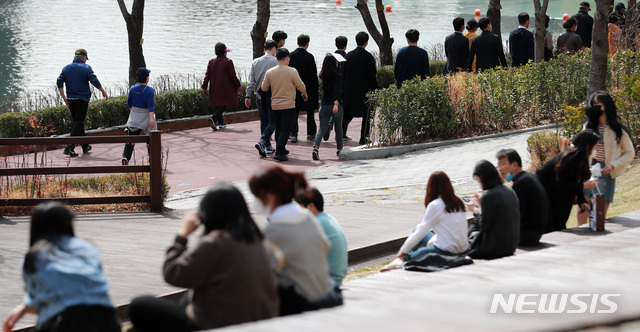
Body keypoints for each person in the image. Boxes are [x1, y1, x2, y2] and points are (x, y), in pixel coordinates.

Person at [129, 184, 278, 331]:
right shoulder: (260, 242)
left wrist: (182, 235)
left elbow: (172, 273)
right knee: (191, 292)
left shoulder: (217, 242)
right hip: (258, 323)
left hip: (216, 325)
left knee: (139, 305)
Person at [2, 202, 120, 332]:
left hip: (65, 323)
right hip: (107, 318)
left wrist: (24, 308)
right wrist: (24, 308)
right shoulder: (87, 248)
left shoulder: (33, 257)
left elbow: (42, 302)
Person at [248, 166, 332, 316]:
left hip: (298, 307)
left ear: (271, 195)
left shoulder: (273, 231)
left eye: (257, 196)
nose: (255, 202)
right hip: (325, 298)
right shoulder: (308, 218)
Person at [382, 171, 469, 271]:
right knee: (420, 232)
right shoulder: (458, 202)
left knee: (410, 254)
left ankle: (402, 258)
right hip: (462, 249)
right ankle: (403, 257)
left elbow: (421, 230)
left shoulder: (436, 205)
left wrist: (402, 251)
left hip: (445, 251)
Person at [578, 91, 634, 223]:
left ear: (606, 105)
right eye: (593, 104)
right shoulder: (588, 126)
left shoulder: (617, 129)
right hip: (588, 170)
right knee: (583, 209)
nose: (595, 107)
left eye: (598, 104)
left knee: (598, 216)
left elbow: (630, 152)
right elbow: (580, 150)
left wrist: (613, 165)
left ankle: (595, 238)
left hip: (606, 172)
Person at [536, 129, 600, 233]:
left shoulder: (581, 158)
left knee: (559, 220)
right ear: (588, 145)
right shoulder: (569, 157)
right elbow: (562, 184)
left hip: (555, 190)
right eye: (595, 145)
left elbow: (575, 181)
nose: (596, 148)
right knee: (552, 222)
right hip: (545, 188)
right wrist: (584, 186)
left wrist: (581, 201)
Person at [57, 48, 109, 157]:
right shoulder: (86, 67)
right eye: (86, 59)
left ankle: (85, 146)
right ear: (83, 58)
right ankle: (69, 147)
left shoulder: (66, 68)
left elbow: (59, 81)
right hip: (82, 99)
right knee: (78, 122)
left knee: (77, 122)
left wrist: (63, 97)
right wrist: (102, 90)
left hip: (70, 99)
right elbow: (93, 79)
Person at [465, 160, 520, 259]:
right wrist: (483, 207)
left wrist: (475, 211)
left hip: (494, 249)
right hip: (510, 246)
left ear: (481, 177)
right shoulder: (510, 191)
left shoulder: (489, 196)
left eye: (476, 177)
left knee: (471, 232)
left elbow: (484, 227)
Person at [261, 48, 308, 162]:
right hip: (288, 105)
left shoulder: (270, 72)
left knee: (278, 128)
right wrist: (305, 93)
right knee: (285, 129)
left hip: (274, 105)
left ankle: (280, 149)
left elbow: (264, 88)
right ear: (287, 58)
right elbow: (300, 85)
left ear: (276, 58)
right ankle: (279, 151)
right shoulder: (292, 71)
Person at [295, 187, 348, 287]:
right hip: (336, 280)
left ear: (311, 206)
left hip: (326, 284)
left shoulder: (316, 224)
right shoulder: (329, 219)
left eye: (301, 207)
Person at [496, 149, 548, 246]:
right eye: (498, 165)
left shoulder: (521, 183)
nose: (500, 169)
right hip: (537, 231)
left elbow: (518, 215)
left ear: (514, 165)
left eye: (503, 164)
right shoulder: (528, 177)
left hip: (528, 235)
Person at [343, 31, 378, 144]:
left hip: (350, 89)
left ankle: (341, 132)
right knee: (367, 114)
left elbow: (343, 73)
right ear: (366, 42)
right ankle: (364, 137)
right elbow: (372, 76)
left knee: (348, 112)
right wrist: (376, 89)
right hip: (365, 90)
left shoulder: (348, 56)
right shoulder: (369, 57)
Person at [247, 40, 279, 157]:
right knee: (273, 122)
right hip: (272, 96)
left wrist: (247, 95)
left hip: (259, 96)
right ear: (274, 49)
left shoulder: (255, 62)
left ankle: (267, 146)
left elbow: (251, 81)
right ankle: (262, 141)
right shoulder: (276, 61)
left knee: (263, 121)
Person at [201, 42, 243, 130]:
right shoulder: (228, 61)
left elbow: (207, 75)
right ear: (224, 52)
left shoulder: (211, 62)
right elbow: (233, 75)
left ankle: (221, 122)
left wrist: (204, 86)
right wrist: (238, 85)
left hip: (214, 87)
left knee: (217, 103)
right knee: (224, 103)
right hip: (225, 87)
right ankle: (213, 118)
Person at [122, 67, 156, 166]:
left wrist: (134, 113)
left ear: (137, 77)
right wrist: (152, 119)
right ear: (147, 78)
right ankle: (152, 160)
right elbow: (151, 106)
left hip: (135, 116)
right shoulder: (150, 90)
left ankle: (126, 157)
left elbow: (129, 104)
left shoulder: (132, 89)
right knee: (151, 139)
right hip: (146, 115)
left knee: (131, 139)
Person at [312, 54, 344, 160]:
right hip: (335, 105)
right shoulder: (337, 76)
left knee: (321, 129)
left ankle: (315, 148)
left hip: (324, 105)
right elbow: (336, 90)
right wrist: (336, 103)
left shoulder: (322, 75)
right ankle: (339, 150)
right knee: (338, 129)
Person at [288, 34, 319, 143]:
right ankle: (310, 134)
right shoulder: (309, 57)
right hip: (308, 89)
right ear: (307, 44)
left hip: (293, 89)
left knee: (294, 112)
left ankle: (293, 134)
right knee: (310, 112)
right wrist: (316, 89)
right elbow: (313, 75)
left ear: (297, 43)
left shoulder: (291, 55)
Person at [322, 36, 349, 142]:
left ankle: (329, 122)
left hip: (330, 86)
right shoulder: (347, 57)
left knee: (331, 104)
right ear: (346, 45)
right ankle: (338, 129)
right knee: (339, 107)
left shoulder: (330, 57)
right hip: (342, 87)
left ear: (335, 44)